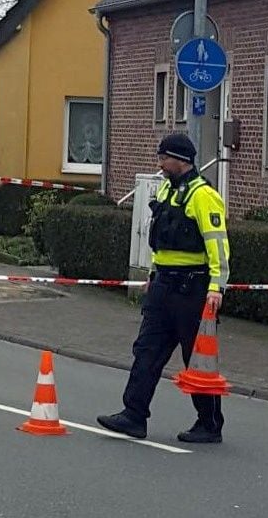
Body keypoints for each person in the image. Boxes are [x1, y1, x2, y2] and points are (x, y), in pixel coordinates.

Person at [97, 132, 231, 444]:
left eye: (163, 158)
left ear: (180, 160)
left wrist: (217, 287)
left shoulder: (202, 195)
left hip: (193, 289)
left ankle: (209, 424)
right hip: (164, 287)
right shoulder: (170, 193)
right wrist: (153, 274)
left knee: (196, 360)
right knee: (146, 350)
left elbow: (218, 247)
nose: (159, 163)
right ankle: (133, 415)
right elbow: (162, 244)